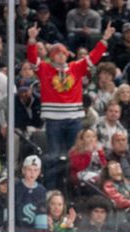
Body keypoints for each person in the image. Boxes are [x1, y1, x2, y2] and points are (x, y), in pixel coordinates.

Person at [28, 21, 115, 158]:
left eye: (63, 53)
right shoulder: (45, 69)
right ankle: (54, 180)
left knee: (75, 155)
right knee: (54, 155)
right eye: (57, 53)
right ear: (52, 56)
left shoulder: (76, 67)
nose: (61, 55)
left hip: (74, 119)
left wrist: (104, 40)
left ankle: (73, 179)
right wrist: (32, 40)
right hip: (53, 120)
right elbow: (33, 60)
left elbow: (93, 57)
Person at [15, 155, 48, 232]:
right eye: (29, 169)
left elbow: (41, 212)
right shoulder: (15, 187)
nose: (32, 173)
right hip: (17, 230)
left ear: (39, 172)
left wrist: (41, 231)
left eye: (35, 170)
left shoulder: (41, 190)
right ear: (23, 170)